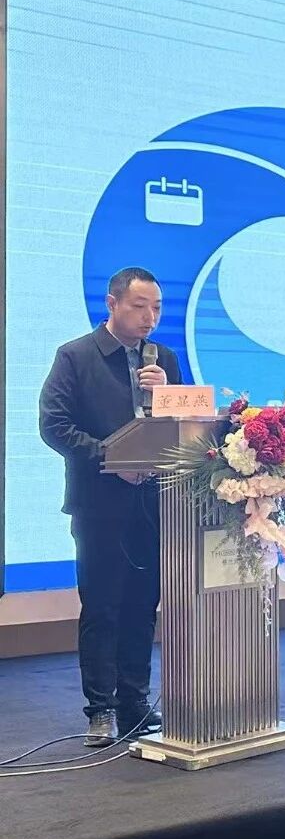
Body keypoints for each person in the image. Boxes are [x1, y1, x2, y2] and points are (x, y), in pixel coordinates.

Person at [38, 267, 182, 747]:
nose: (149, 318)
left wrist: (168, 395)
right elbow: (54, 425)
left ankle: (134, 703)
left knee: (142, 606)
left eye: (156, 308)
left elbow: (185, 426)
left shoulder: (164, 359)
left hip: (154, 504)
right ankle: (100, 709)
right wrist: (111, 459)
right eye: (140, 307)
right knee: (102, 607)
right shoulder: (76, 356)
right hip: (99, 505)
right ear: (112, 304)